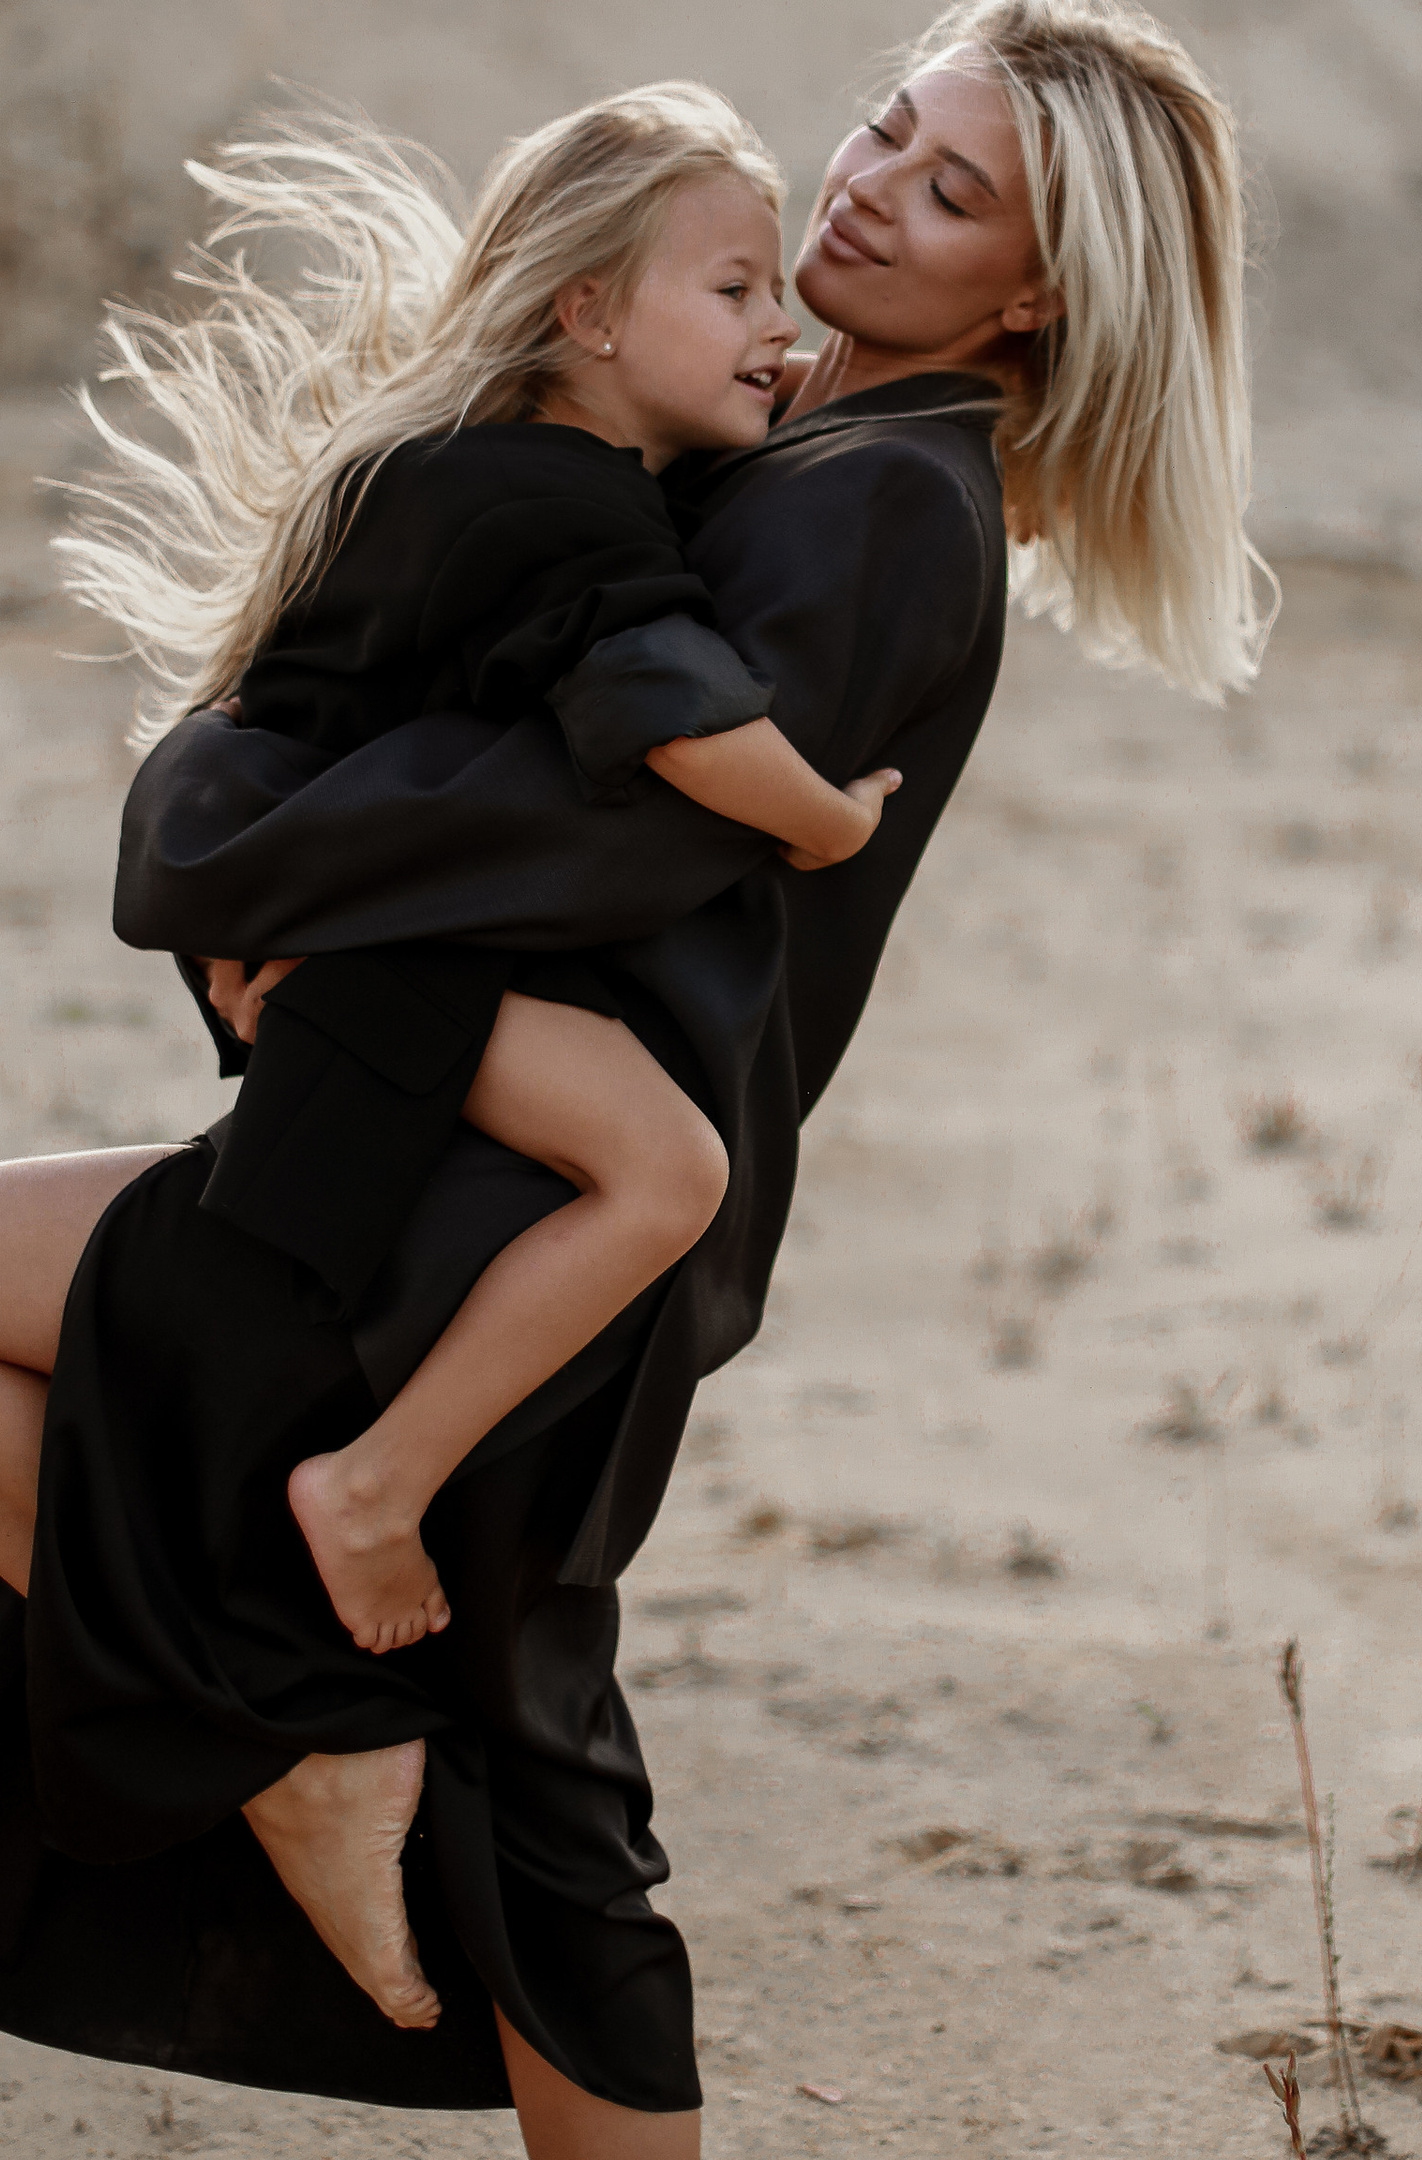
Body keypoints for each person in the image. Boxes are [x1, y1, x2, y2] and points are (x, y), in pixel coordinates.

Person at [0, 0, 1270, 2160]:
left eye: (945, 191)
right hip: (462, 1169)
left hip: (496, 1218)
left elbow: (602, 832)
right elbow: (521, 697)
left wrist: (237, 858)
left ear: (1038, 290)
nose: (866, 191)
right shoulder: (825, 448)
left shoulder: (880, 508)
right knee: (530, 1780)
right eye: (882, 130)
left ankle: (275, 1755)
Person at [52, 83, 902, 1669]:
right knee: (671, 1176)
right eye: (734, 290)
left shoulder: (494, 464)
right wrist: (827, 822)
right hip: (361, 949)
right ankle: (374, 1484)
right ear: (587, 312)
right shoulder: (550, 496)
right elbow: (676, 716)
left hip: (321, 910)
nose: (776, 326)